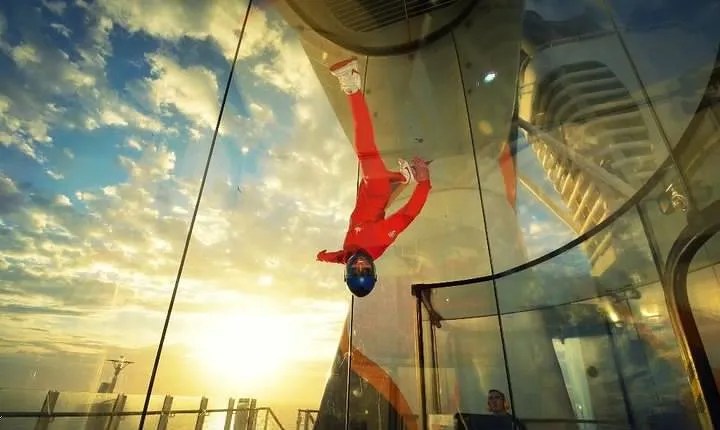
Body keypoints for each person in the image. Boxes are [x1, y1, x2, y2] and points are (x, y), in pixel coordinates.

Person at [316, 57, 432, 297]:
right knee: (365, 149)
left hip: (365, 193)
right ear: (373, 269)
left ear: (347, 270)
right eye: (366, 269)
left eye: (355, 269)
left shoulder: (346, 256)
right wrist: (424, 183)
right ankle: (352, 85)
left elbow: (338, 257)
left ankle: (402, 177)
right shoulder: (379, 241)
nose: (360, 263)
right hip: (377, 193)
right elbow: (408, 215)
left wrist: (322, 257)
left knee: (369, 161)